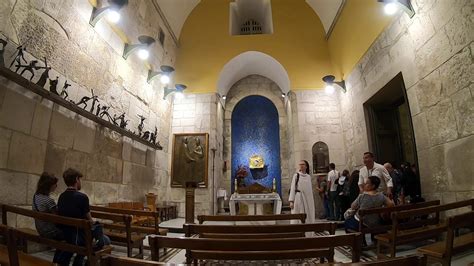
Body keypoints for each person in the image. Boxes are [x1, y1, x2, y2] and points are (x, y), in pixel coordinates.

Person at [56, 168, 110, 266]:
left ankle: (78, 262)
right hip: (78, 238)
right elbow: (90, 221)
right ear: (76, 179)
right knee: (106, 240)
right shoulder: (82, 197)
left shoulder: (61, 196)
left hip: (67, 235)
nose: (80, 182)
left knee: (93, 238)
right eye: (80, 179)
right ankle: (85, 263)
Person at [32, 172, 63, 263]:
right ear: (48, 185)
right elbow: (58, 219)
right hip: (50, 232)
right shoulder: (49, 201)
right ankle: (59, 261)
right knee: (71, 236)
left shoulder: (36, 196)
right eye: (55, 184)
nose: (56, 186)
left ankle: (57, 261)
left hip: (40, 229)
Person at [289, 160, 316, 227]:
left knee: (307, 215)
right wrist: (291, 201)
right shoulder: (296, 176)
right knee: (297, 214)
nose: (301, 165)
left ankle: (307, 232)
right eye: (300, 164)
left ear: (306, 166)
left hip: (307, 199)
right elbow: (293, 188)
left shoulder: (308, 177)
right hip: (298, 198)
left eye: (303, 164)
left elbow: (309, 191)